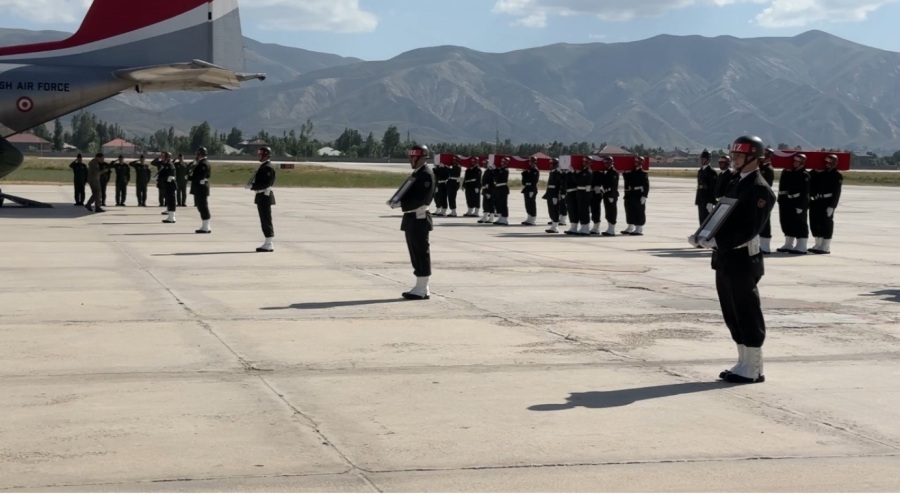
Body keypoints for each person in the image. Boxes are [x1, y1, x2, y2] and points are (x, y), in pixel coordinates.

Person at [688, 135, 775, 384]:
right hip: (726, 257)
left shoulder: (759, 188)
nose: (734, 159)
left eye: (738, 155)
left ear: (752, 157)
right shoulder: (737, 183)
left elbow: (749, 229)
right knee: (732, 311)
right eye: (733, 155)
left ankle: (754, 367)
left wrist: (716, 241)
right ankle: (743, 361)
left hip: (743, 259)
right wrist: (703, 235)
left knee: (747, 311)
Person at [388, 144, 436, 300]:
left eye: (413, 157)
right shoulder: (418, 173)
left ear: (422, 158)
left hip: (419, 217)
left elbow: (421, 199)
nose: (410, 160)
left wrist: (401, 204)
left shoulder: (426, 175)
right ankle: (421, 287)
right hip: (412, 217)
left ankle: (422, 288)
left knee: (421, 252)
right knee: (415, 252)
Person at [776, 153, 811, 254]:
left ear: (802, 163)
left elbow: (806, 192)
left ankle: (802, 245)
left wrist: (801, 206)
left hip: (798, 202)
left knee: (800, 223)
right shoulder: (790, 172)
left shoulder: (804, 175)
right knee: (787, 222)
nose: (795, 163)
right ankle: (788, 243)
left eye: (798, 162)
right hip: (787, 201)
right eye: (795, 161)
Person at [808, 154, 843, 255]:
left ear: (835, 164)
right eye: (826, 162)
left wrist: (832, 206)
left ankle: (826, 245)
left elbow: (837, 192)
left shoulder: (837, 175)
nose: (828, 164)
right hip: (817, 201)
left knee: (826, 223)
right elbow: (812, 176)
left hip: (827, 202)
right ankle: (818, 244)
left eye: (830, 163)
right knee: (815, 222)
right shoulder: (822, 173)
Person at [248, 146, 277, 252]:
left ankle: (269, 243)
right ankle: (268, 242)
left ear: (265, 155)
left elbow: (266, 183)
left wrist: (253, 186)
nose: (258, 156)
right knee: (264, 219)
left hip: (265, 196)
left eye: (260, 154)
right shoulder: (264, 166)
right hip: (261, 196)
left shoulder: (268, 167)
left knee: (266, 219)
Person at [621, 157, 649, 235]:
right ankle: (630, 226)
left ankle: (639, 228)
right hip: (631, 194)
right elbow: (627, 180)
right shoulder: (632, 172)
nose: (635, 163)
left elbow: (646, 185)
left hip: (638, 194)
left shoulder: (643, 173)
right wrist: (625, 172)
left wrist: (644, 196)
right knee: (630, 210)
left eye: (637, 162)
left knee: (639, 211)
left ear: (640, 163)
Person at [190, 147, 212, 234]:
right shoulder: (201, 163)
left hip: (201, 188)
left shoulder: (203, 164)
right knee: (200, 206)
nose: (196, 156)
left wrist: (190, 177)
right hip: (199, 187)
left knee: (203, 206)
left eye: (197, 154)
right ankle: (205, 225)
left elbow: (200, 176)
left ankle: (206, 226)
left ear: (200, 154)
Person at [759, 148, 777, 254]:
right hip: (759, 197)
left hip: (764, 197)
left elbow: (766, 186)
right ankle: (760, 245)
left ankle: (765, 246)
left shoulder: (768, 169)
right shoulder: (761, 167)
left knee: (765, 222)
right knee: (759, 221)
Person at [695, 150, 718, 226]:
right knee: (701, 218)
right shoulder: (700, 171)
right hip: (701, 198)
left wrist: (711, 201)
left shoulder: (712, 172)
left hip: (707, 199)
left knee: (707, 219)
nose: (701, 160)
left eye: (703, 159)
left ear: (708, 160)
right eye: (701, 158)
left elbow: (713, 188)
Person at [154, 152, 177, 223]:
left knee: (171, 200)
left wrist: (160, 178)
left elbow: (167, 175)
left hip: (170, 185)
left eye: (164, 157)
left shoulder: (169, 165)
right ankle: (171, 216)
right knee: (169, 200)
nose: (162, 158)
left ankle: (171, 217)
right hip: (167, 184)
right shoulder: (166, 164)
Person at [600, 156, 620, 236]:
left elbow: (614, 185)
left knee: (612, 211)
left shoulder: (613, 172)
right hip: (606, 193)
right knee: (608, 212)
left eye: (606, 163)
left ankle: (612, 229)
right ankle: (609, 228)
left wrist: (612, 195)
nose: (605, 164)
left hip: (611, 194)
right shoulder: (608, 171)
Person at [544, 158, 562, 233]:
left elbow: (559, 185)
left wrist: (556, 195)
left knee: (555, 210)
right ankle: (553, 225)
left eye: (552, 163)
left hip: (554, 193)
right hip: (550, 193)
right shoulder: (552, 172)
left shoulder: (558, 172)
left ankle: (555, 227)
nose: (550, 165)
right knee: (551, 209)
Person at [521, 157, 540, 226]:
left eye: (531, 161)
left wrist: (528, 183)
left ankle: (533, 219)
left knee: (531, 204)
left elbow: (534, 181)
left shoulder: (535, 170)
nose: (530, 162)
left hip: (532, 189)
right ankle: (529, 218)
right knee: (527, 204)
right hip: (527, 189)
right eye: (530, 161)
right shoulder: (529, 170)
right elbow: (524, 182)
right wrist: (524, 173)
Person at [492, 157, 510, 225]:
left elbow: (498, 176)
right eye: (501, 161)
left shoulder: (505, 170)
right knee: (497, 203)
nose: (502, 163)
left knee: (503, 204)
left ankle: (504, 218)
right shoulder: (501, 169)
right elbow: (495, 177)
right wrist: (495, 169)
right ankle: (500, 217)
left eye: (503, 162)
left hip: (503, 188)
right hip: (498, 188)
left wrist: (495, 169)